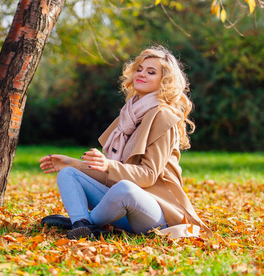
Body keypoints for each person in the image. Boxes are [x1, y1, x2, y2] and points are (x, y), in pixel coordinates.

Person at [39, 46, 212, 240]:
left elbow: (148, 176)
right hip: (122, 209)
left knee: (124, 188)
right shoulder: (129, 115)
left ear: (164, 81)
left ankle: (81, 222)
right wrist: (74, 164)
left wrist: (108, 165)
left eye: (151, 71)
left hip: (155, 212)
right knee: (68, 174)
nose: (142, 74)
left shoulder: (164, 116)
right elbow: (112, 174)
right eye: (139, 69)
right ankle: (84, 225)